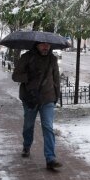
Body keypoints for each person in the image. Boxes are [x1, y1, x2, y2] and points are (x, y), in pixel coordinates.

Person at [12, 42, 62, 170]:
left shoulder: (52, 59)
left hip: (48, 98)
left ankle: (50, 158)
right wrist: (28, 76)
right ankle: (26, 145)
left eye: (48, 45)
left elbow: (56, 79)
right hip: (30, 98)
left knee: (48, 127)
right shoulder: (26, 57)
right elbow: (15, 76)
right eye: (42, 45)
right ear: (37, 45)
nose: (45, 47)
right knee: (29, 125)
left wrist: (56, 96)